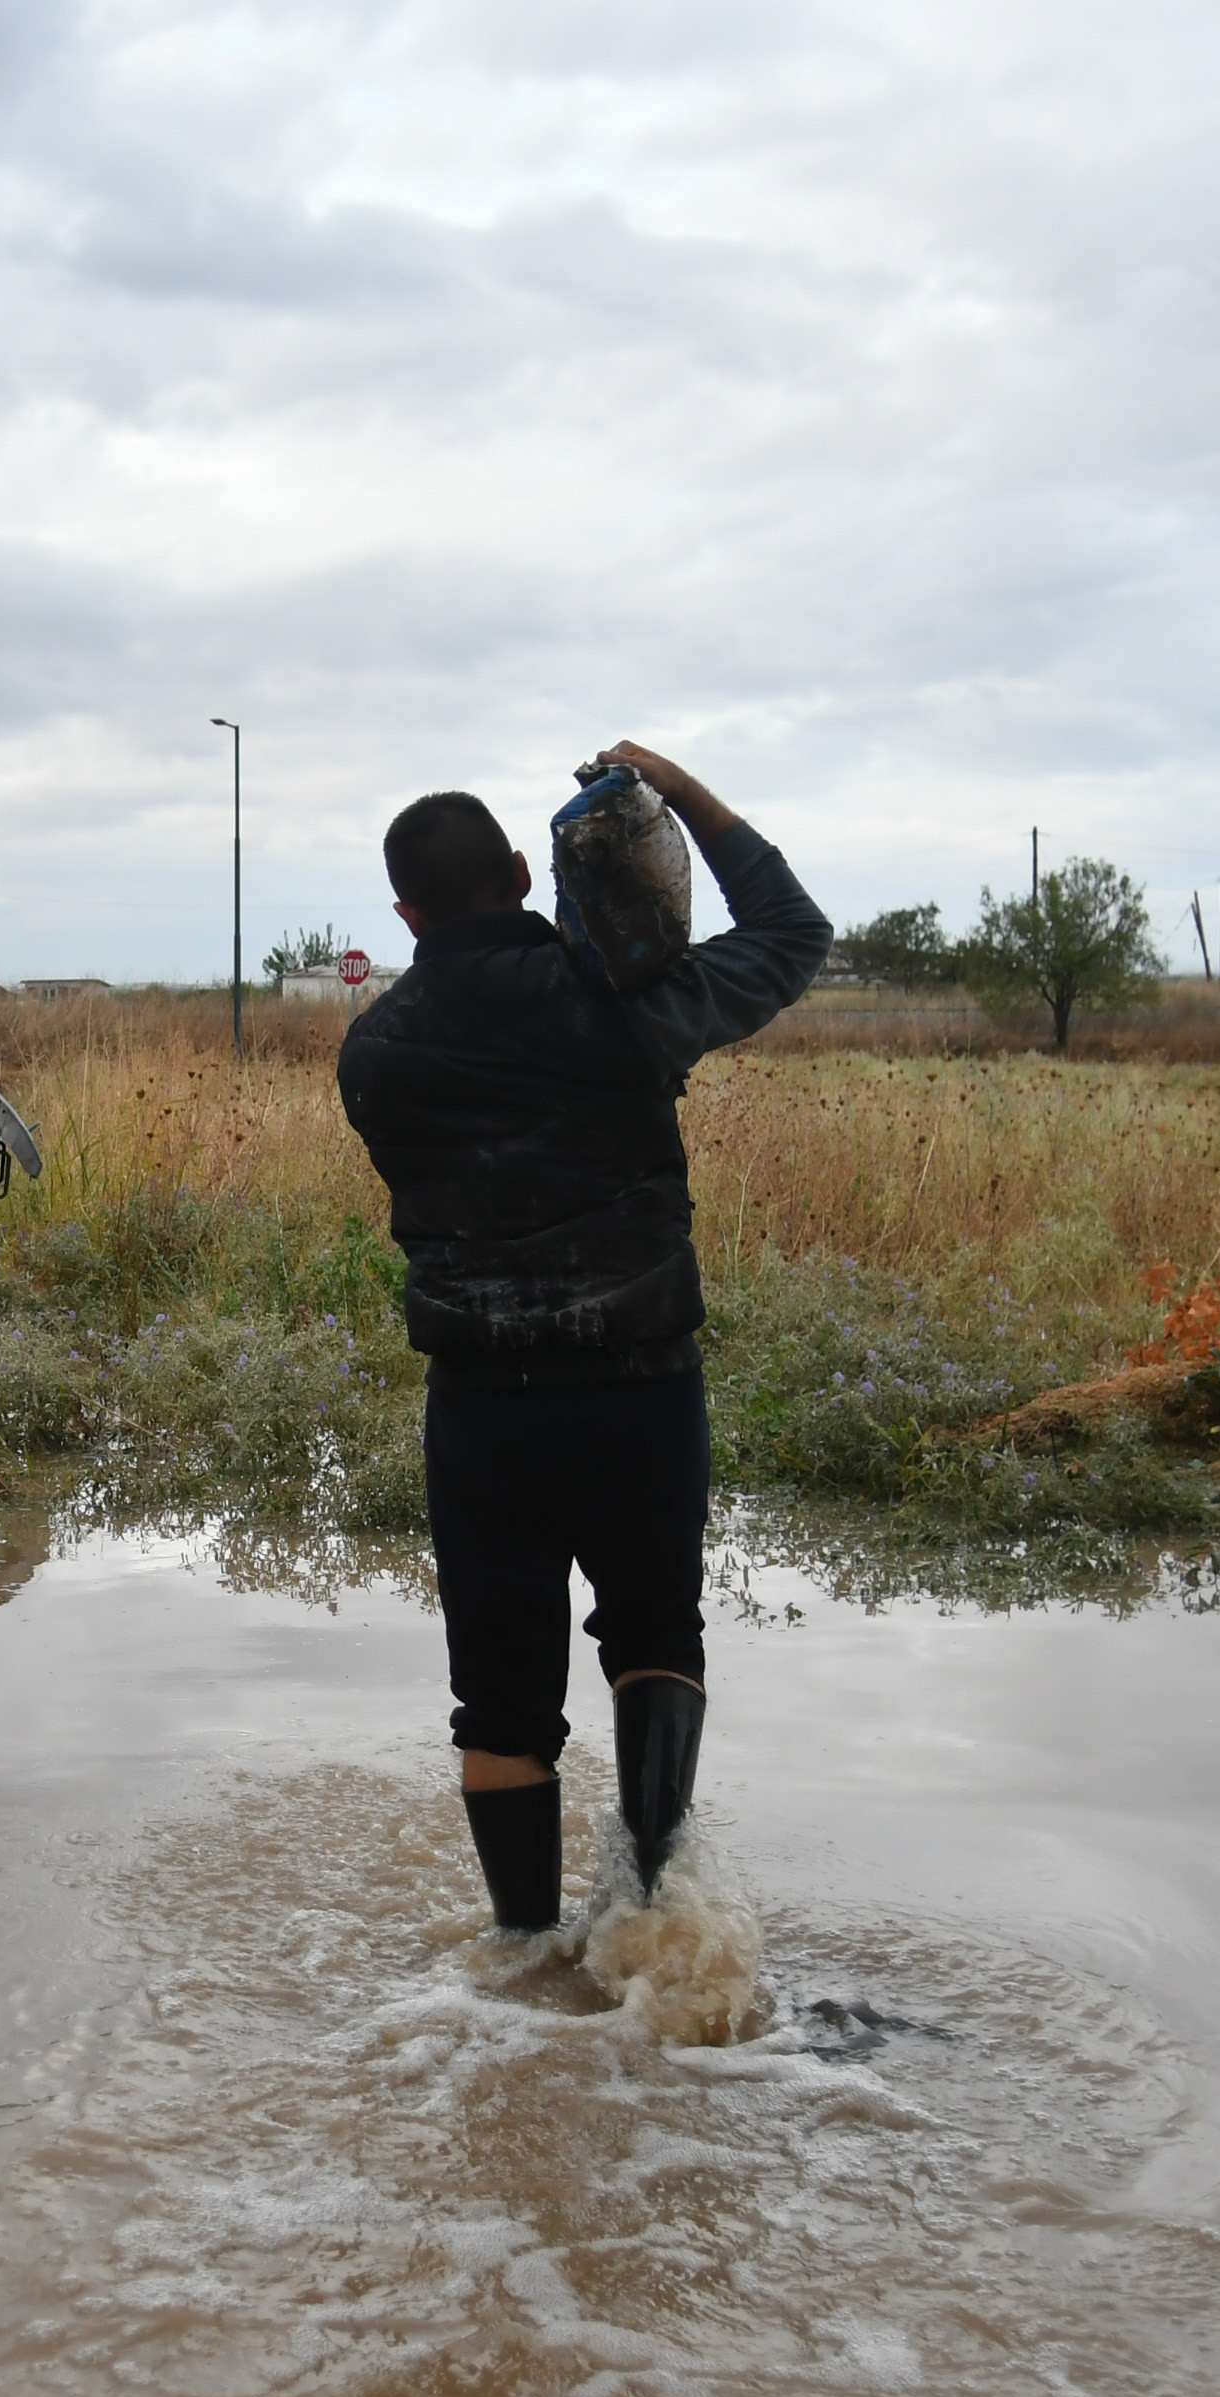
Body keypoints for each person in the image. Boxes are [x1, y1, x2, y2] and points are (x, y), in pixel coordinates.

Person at [337, 742, 832, 1939]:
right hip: (640, 1390)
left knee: (500, 1711)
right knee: (656, 1639)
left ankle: (520, 1966)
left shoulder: (376, 1054)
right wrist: (685, 795)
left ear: (405, 912)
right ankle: (653, 1910)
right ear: (520, 869)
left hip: (482, 1411)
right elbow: (790, 931)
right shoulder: (625, 1000)